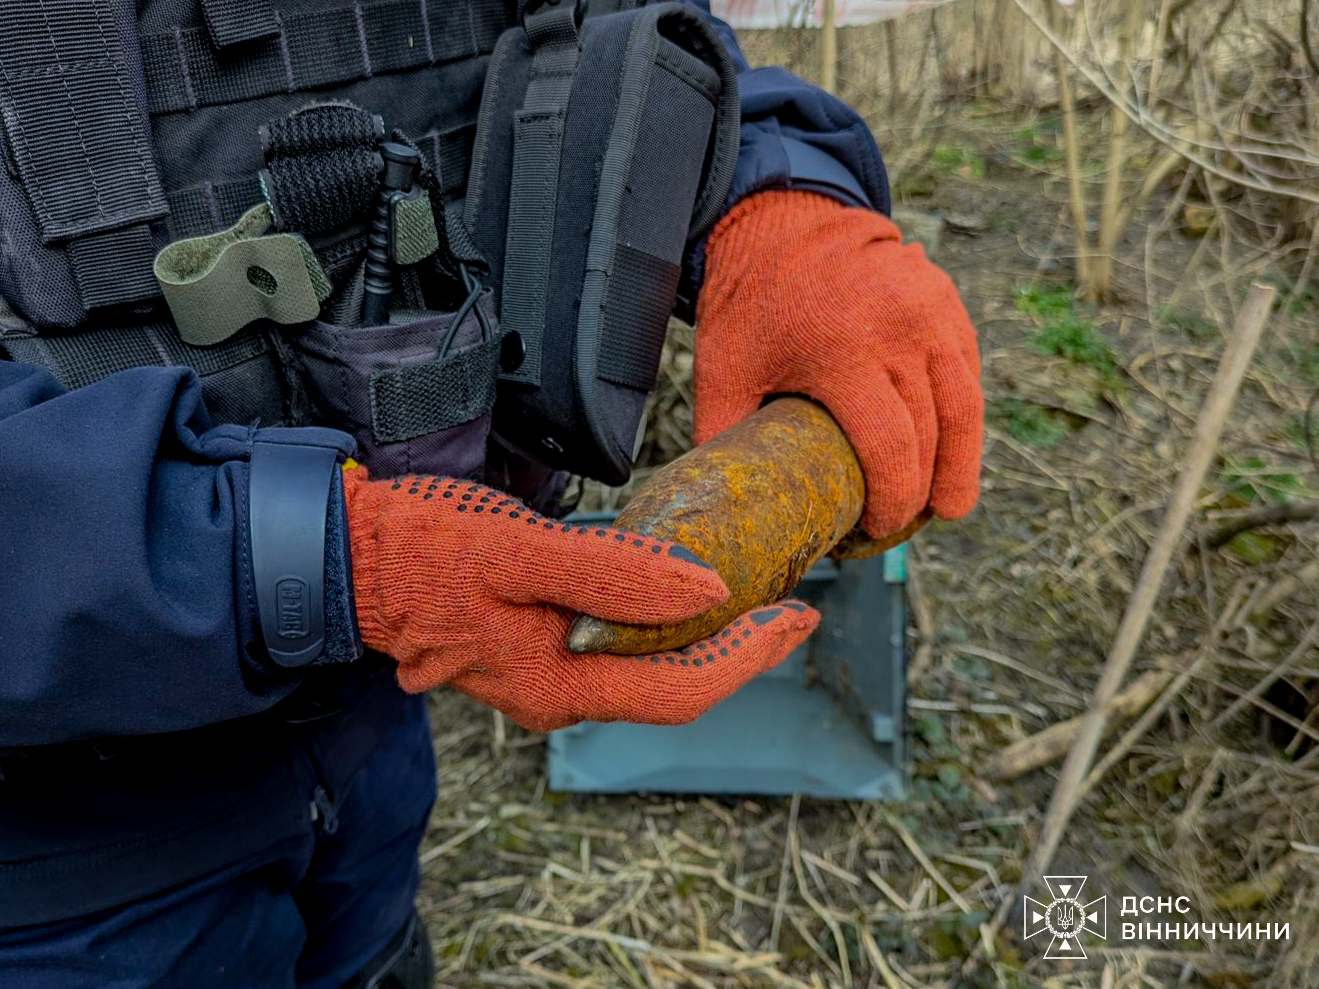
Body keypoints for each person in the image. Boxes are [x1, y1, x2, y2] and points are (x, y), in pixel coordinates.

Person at [0, 0, 984, 985]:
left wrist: (773, 199)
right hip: (60, 855)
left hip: (370, 730)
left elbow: (609, 39)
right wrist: (323, 564)